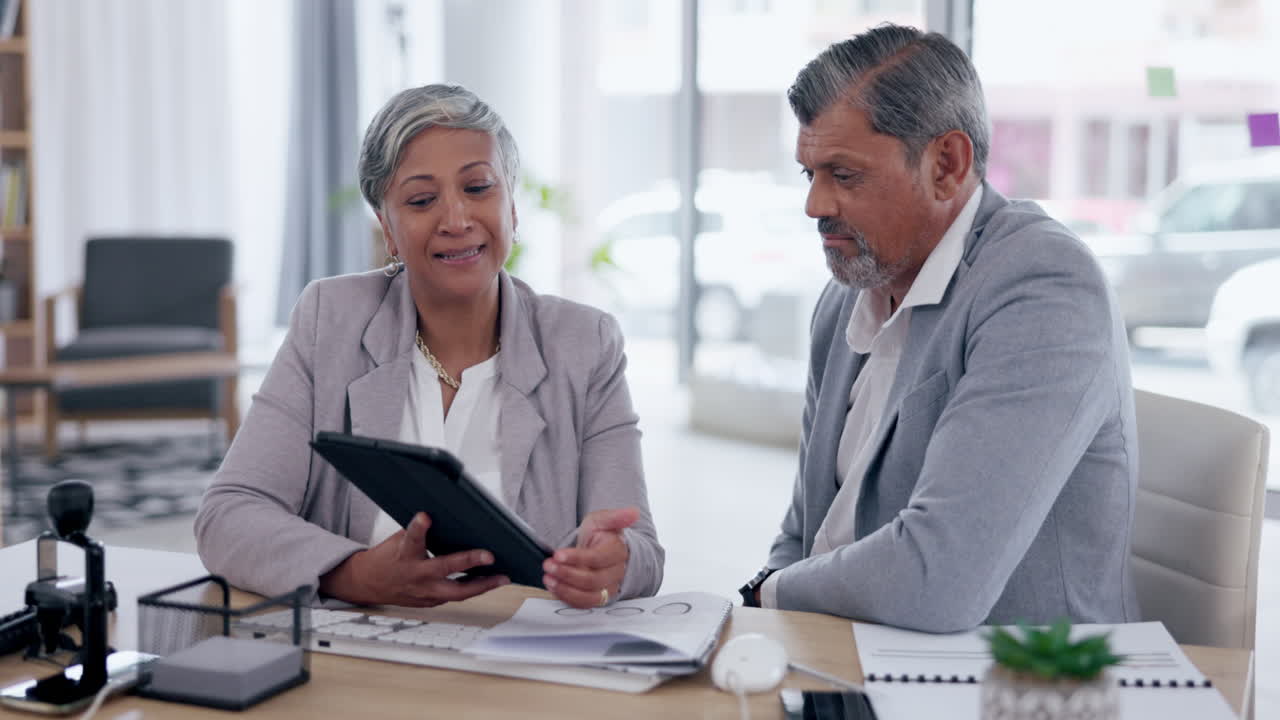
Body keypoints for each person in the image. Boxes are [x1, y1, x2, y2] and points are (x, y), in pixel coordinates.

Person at [196, 84, 663, 609]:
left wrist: (614, 562)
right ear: (388, 229)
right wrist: (353, 574)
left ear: (512, 208)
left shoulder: (585, 343)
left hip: (524, 651)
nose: (457, 220)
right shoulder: (331, 319)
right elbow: (228, 515)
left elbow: (642, 553)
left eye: (478, 187)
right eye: (421, 200)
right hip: (359, 648)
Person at [737, 25, 1139, 632]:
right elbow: (803, 532)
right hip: (850, 648)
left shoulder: (1043, 286)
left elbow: (939, 578)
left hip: (1013, 671)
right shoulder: (847, 297)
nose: (815, 205)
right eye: (809, 174)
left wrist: (767, 596)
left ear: (947, 165)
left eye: (844, 175)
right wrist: (766, 621)